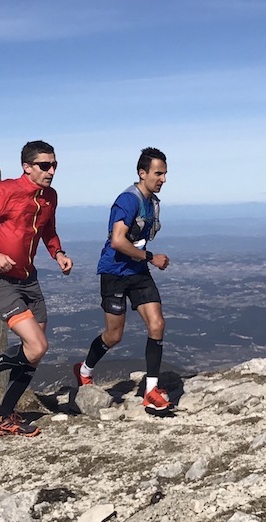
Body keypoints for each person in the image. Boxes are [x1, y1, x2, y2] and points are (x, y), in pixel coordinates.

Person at [0, 140, 73, 437]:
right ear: (27, 167)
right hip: (0, 281)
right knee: (38, 346)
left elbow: (48, 229)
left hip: (29, 280)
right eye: (44, 166)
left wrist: (58, 253)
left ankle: (3, 417)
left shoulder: (50, 197)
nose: (51, 171)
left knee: (33, 352)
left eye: (54, 165)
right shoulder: (7, 192)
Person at [73, 147, 173, 412]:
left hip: (138, 273)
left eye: (165, 174)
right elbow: (117, 241)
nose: (163, 179)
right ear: (143, 173)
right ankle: (84, 370)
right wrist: (150, 256)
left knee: (157, 324)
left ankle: (151, 391)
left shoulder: (151, 201)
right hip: (115, 273)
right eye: (158, 173)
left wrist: (144, 260)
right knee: (114, 335)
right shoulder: (129, 200)